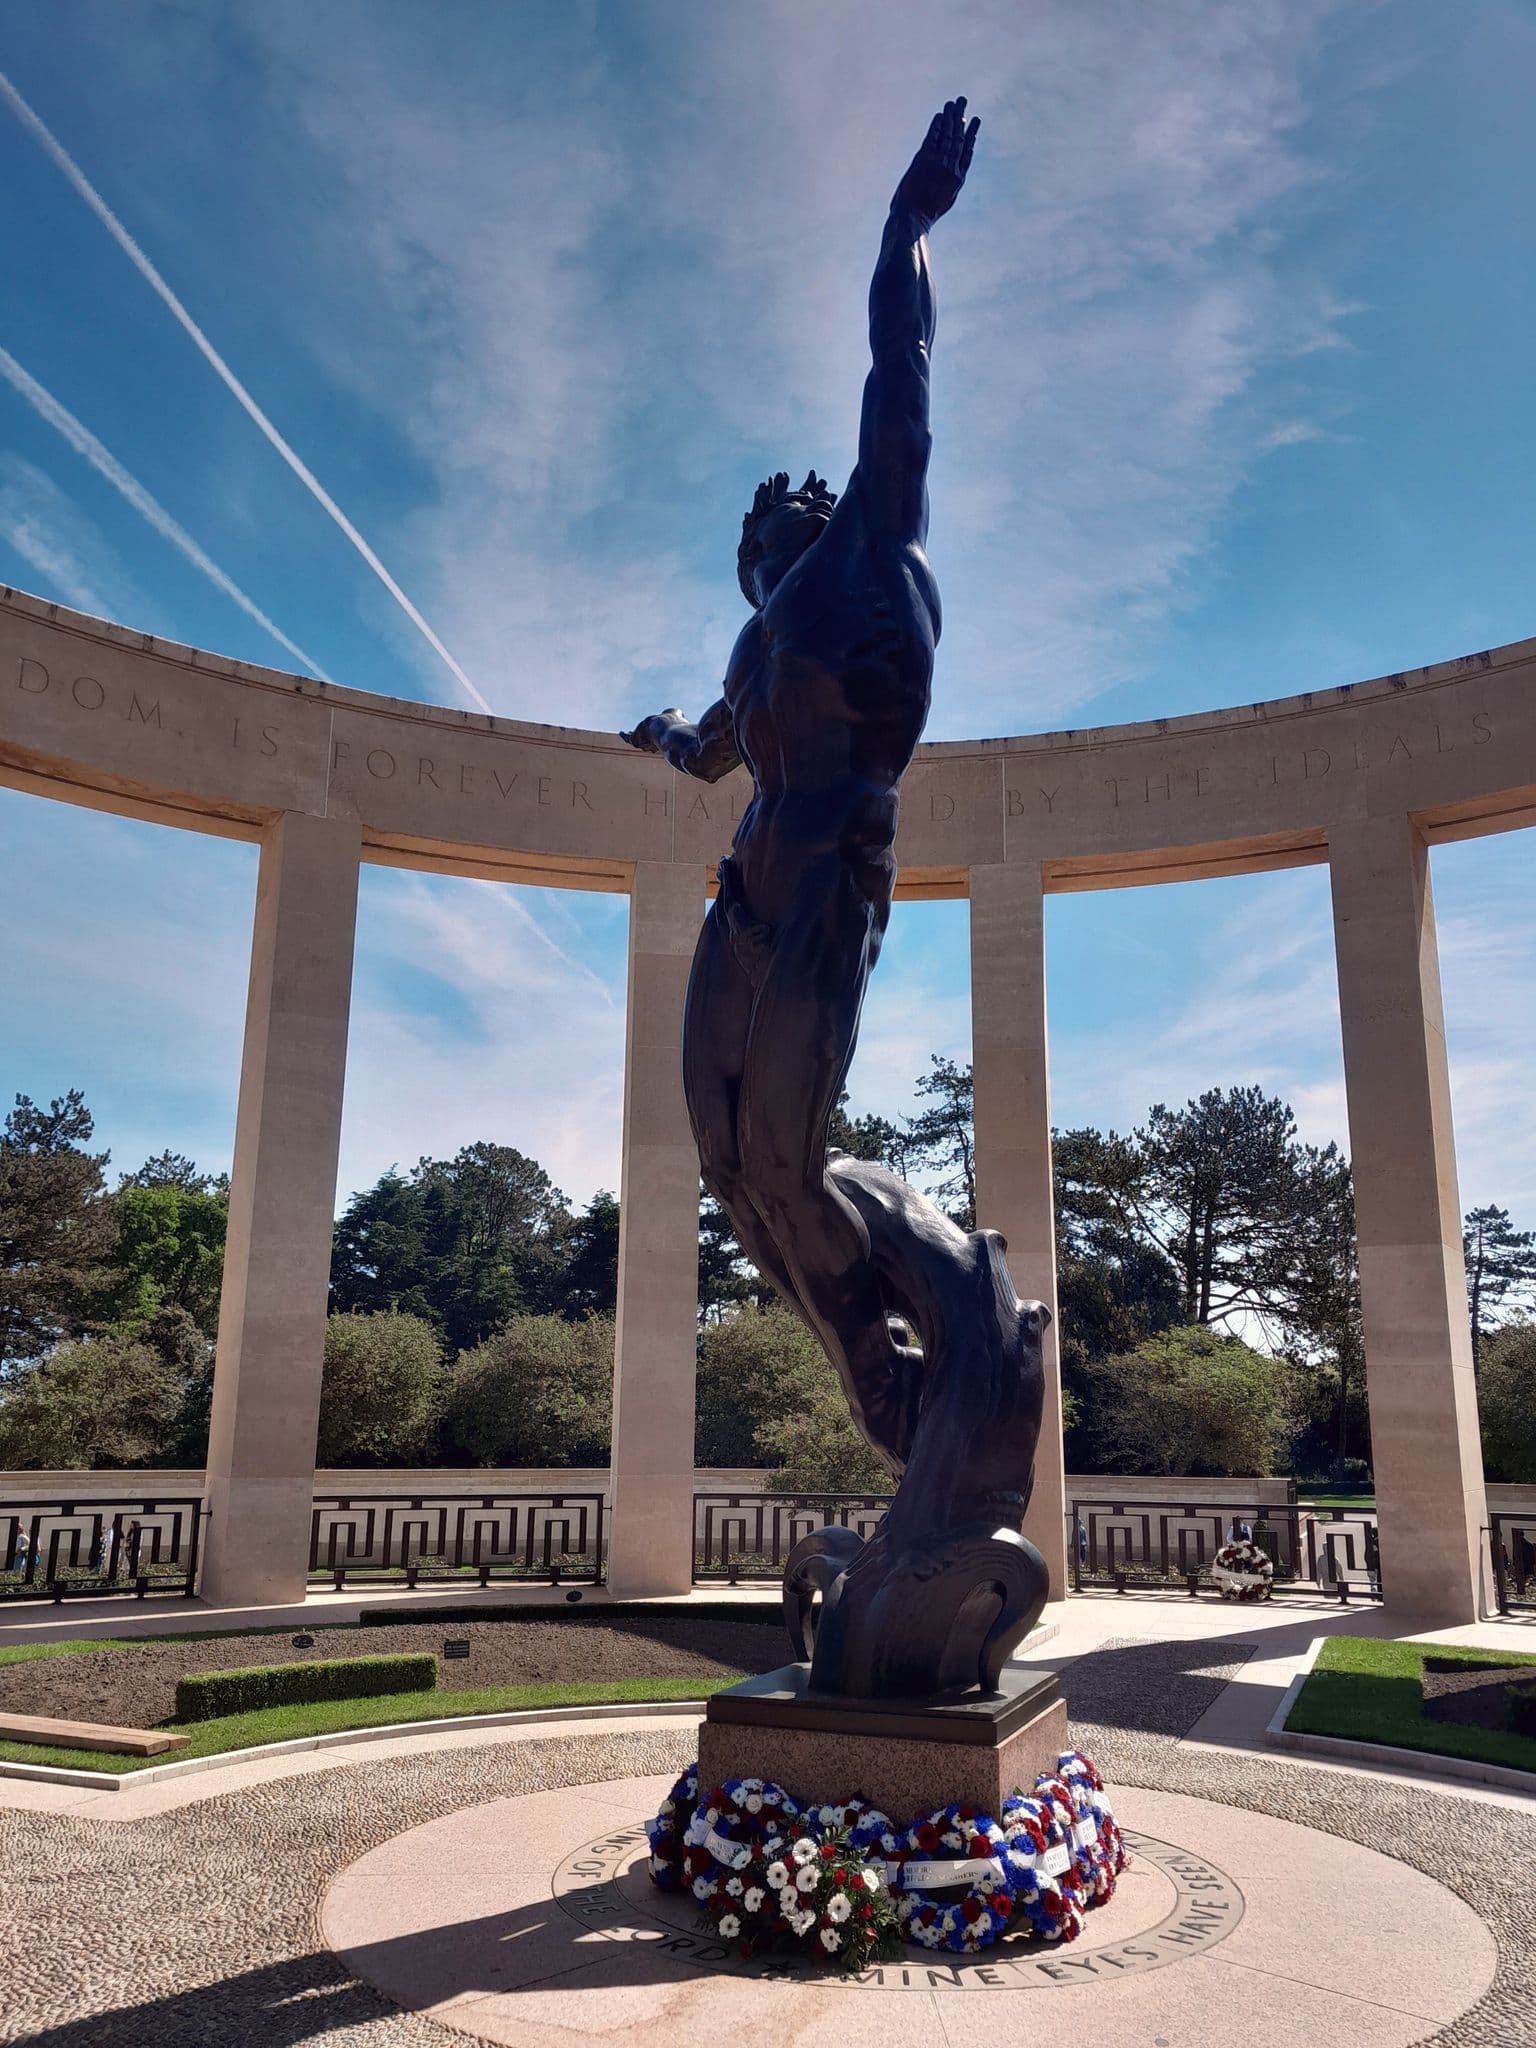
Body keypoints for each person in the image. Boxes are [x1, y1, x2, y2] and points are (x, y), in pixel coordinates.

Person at [624, 101, 979, 1475]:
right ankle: (868, 1366)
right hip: (745, 898)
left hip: (833, 872)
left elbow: (904, 369)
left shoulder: (871, 558)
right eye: (757, 533)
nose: (774, 525)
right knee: (728, 1166)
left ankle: (919, 1304)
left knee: (786, 1151)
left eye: (790, 516)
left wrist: (906, 228)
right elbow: (710, 750)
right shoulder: (756, 641)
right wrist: (658, 731)